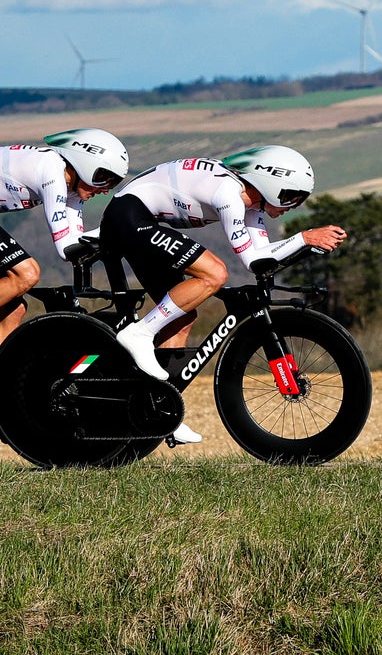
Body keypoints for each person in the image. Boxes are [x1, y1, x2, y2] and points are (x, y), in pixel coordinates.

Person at [98, 146, 347, 443]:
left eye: (301, 200)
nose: (294, 205)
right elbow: (249, 260)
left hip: (138, 220)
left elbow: (261, 258)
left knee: (182, 316)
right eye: (290, 196)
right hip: (126, 215)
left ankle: (160, 407)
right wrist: (304, 238)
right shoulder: (228, 193)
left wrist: (304, 246)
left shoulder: (252, 205)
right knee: (214, 273)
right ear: (268, 182)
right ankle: (138, 334)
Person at [0, 129, 129, 385]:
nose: (105, 190)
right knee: (26, 274)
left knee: (14, 306)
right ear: (86, 164)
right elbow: (64, 243)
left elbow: (71, 248)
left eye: (113, 184)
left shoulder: (72, 190)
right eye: (105, 179)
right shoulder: (52, 171)